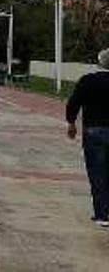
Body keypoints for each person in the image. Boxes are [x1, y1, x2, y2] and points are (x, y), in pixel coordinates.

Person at [66, 48, 109, 227]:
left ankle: (102, 214)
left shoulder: (87, 80)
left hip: (93, 131)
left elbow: (73, 102)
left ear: (99, 62)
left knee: (97, 173)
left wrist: (71, 123)